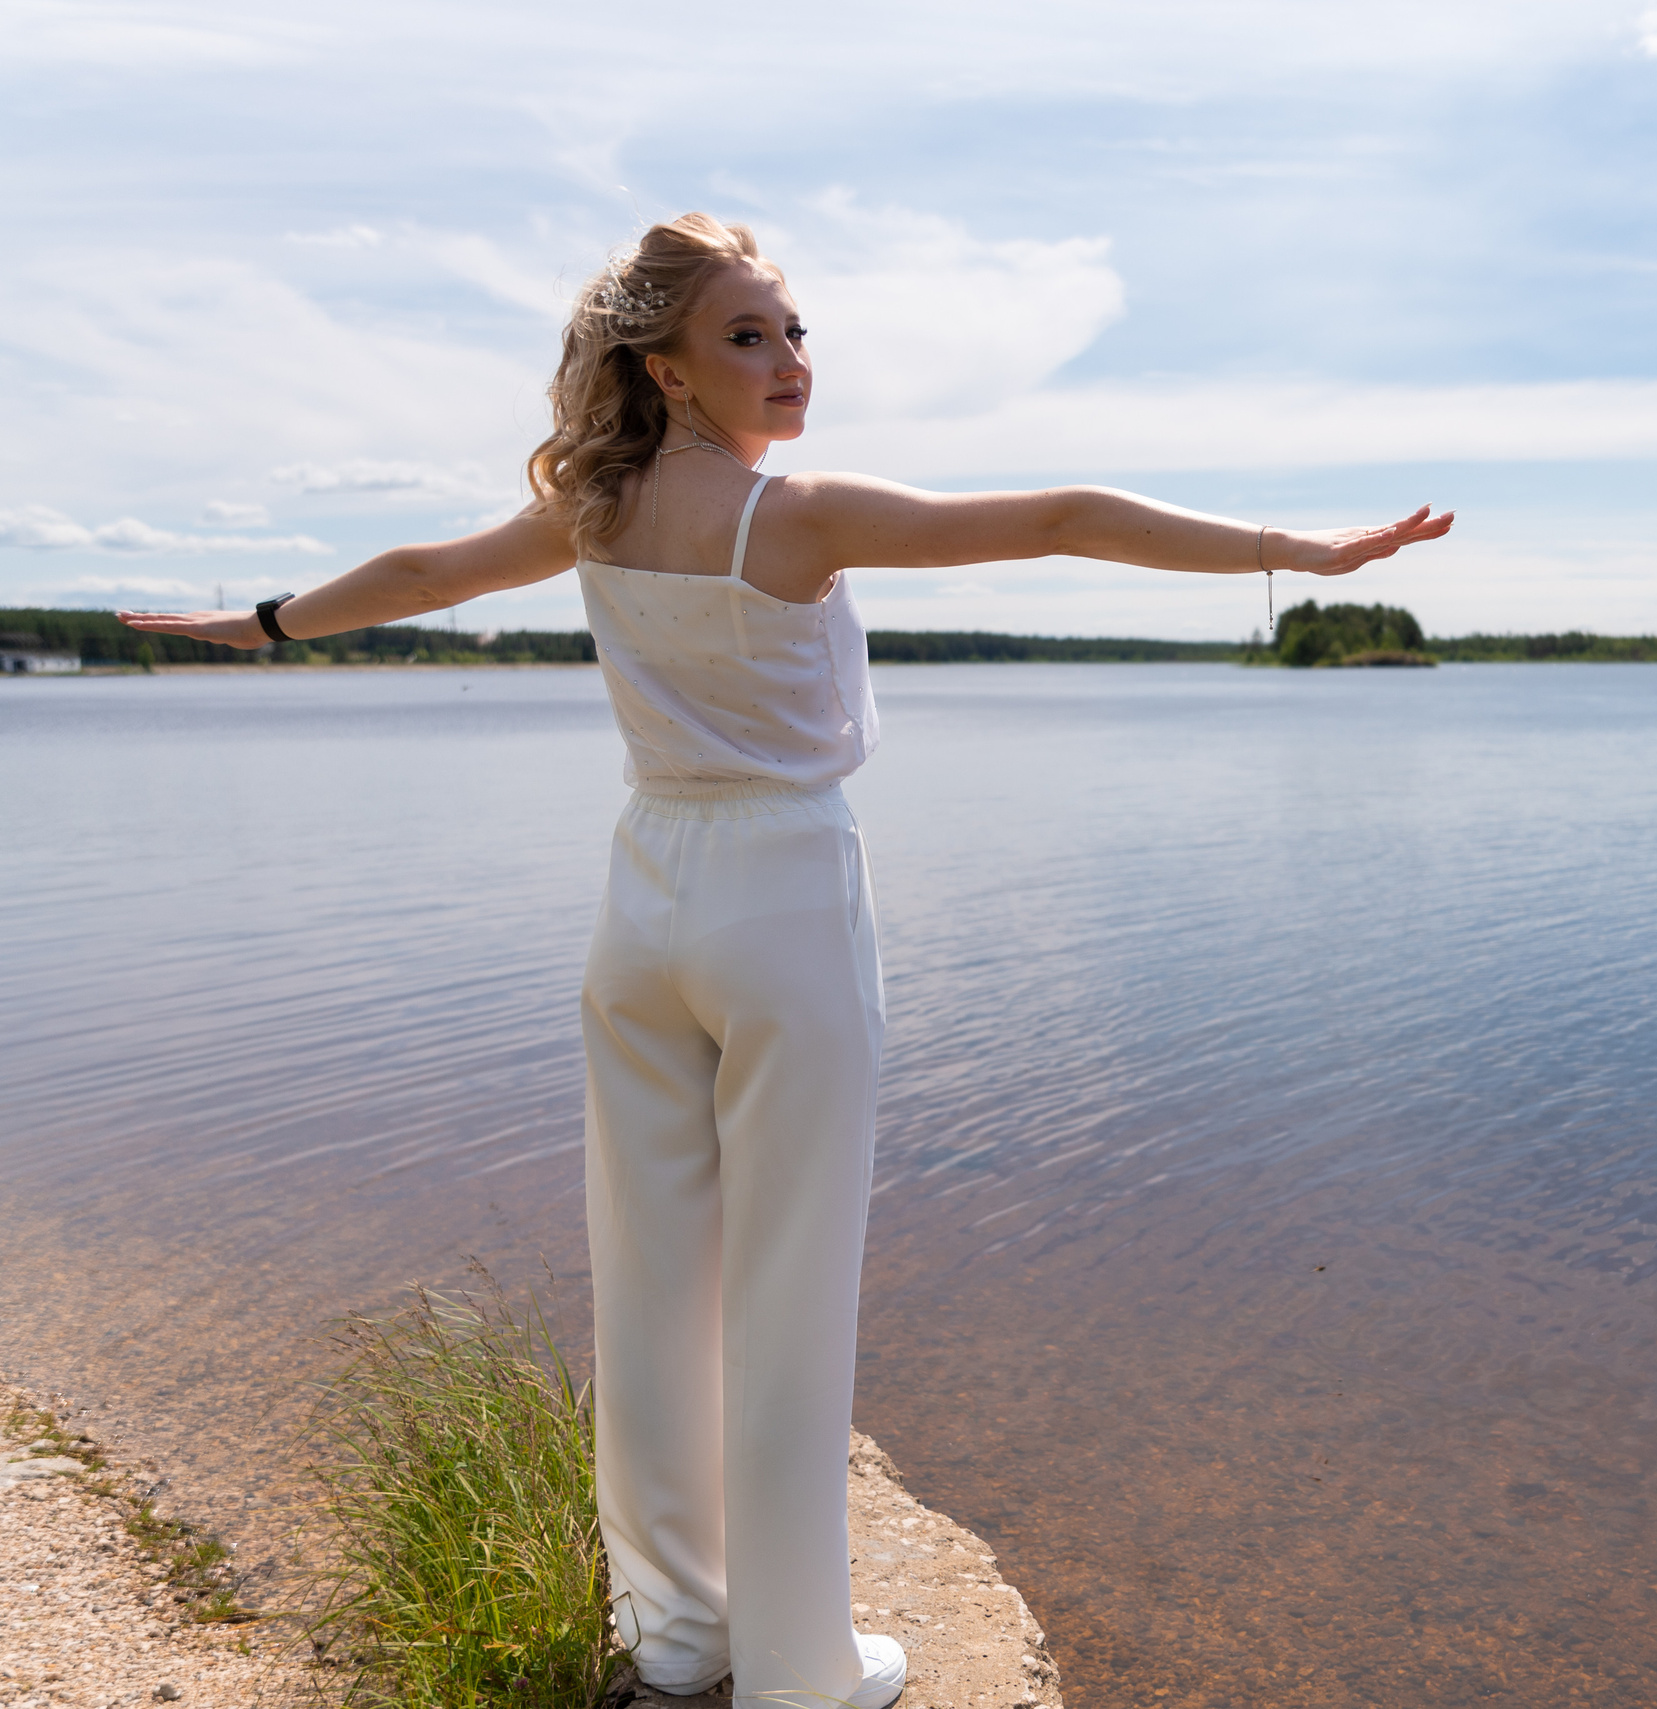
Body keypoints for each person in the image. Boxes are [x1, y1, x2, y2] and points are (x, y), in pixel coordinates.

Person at [121, 212, 1452, 1709]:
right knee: (790, 1286)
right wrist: (1304, 549)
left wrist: (266, 621)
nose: (790, 361)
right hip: (782, 893)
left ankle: (679, 1633)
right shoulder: (790, 516)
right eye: (748, 334)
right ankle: (801, 1670)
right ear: (667, 369)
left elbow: (433, 568)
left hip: (643, 900)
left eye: (796, 328)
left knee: (649, 1276)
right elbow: (1067, 513)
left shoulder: (596, 508)